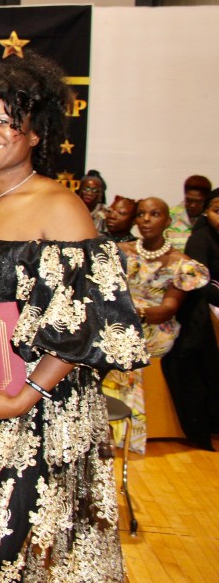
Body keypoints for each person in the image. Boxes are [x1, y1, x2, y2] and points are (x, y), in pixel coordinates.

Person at [0, 54, 147, 581]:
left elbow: (87, 319)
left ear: (36, 133)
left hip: (30, 409)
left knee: (11, 548)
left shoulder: (60, 207)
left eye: (5, 121)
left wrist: (25, 395)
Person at [101, 197, 209, 453]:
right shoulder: (121, 251)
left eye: (155, 214)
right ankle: (98, 426)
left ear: (168, 221)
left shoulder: (182, 264)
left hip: (155, 329)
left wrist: (129, 312)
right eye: (141, 214)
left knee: (124, 344)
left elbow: (166, 311)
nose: (146, 220)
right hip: (120, 324)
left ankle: (121, 433)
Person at [163, 188, 219, 449]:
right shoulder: (200, 238)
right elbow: (201, 283)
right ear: (207, 213)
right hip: (205, 308)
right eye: (217, 211)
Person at [167, 175, 212, 251]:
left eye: (198, 201)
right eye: (189, 200)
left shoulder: (212, 218)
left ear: (206, 200)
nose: (192, 205)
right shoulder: (169, 216)